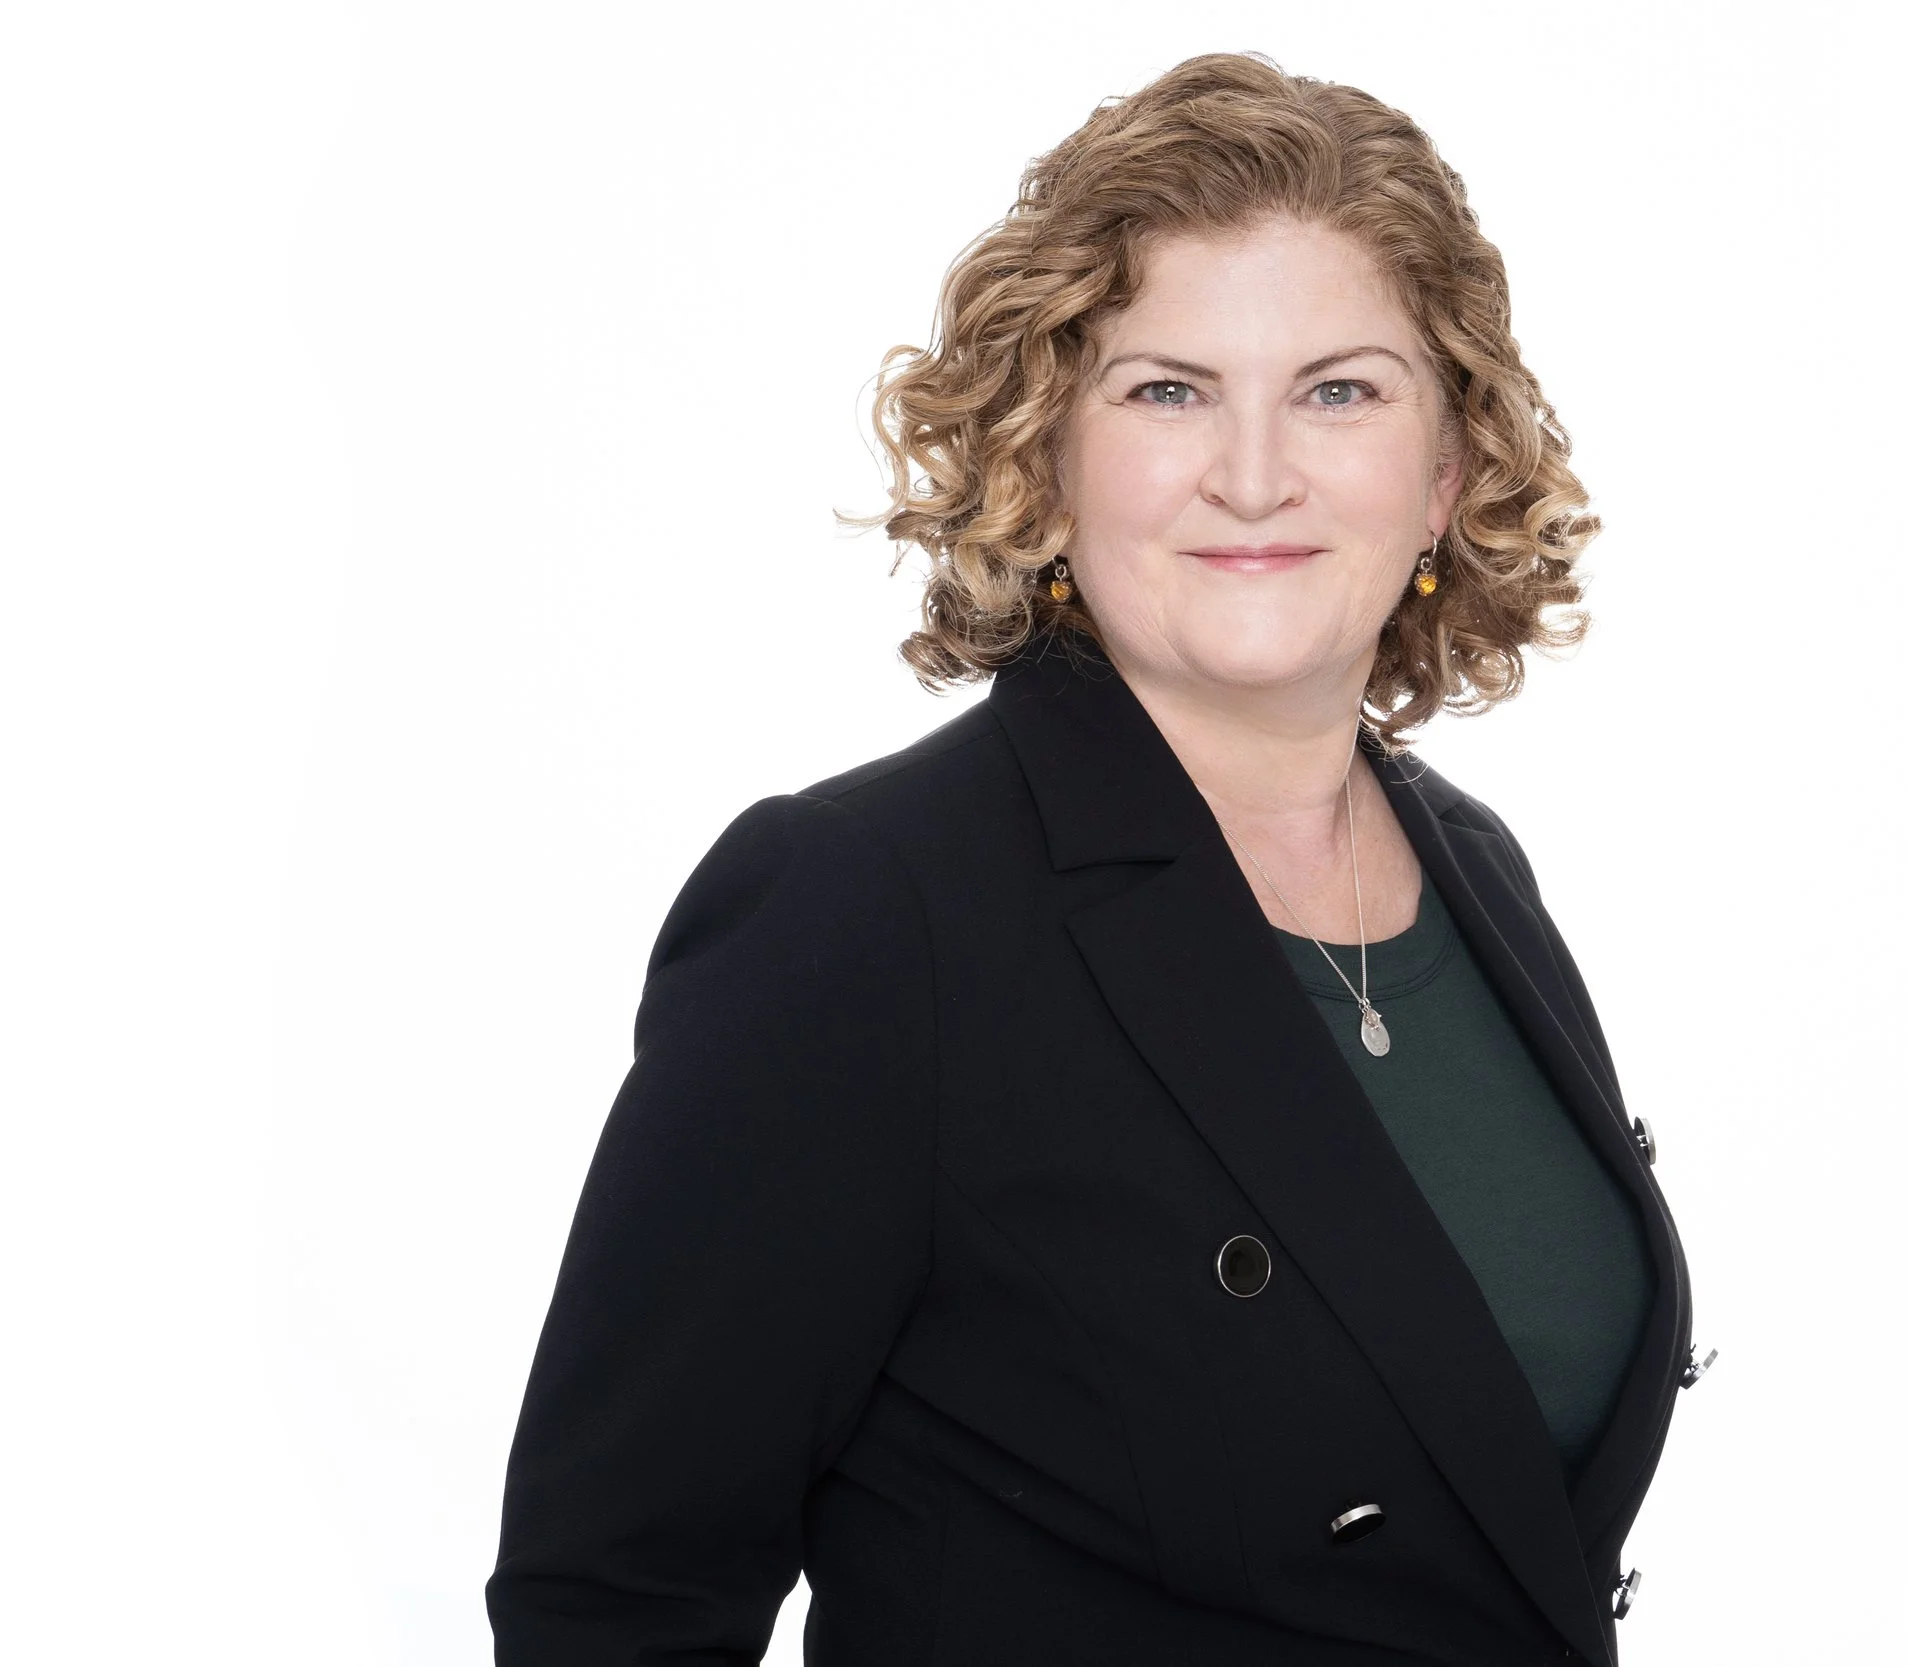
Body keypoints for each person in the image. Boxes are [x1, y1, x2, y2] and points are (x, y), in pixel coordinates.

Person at [485, 50, 1704, 1667]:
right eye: (1167, 389)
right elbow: (612, 1602)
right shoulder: (862, 914)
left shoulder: (1475, 873)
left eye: (1340, 390)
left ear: (1448, 475)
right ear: (1046, 455)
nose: (1255, 473)